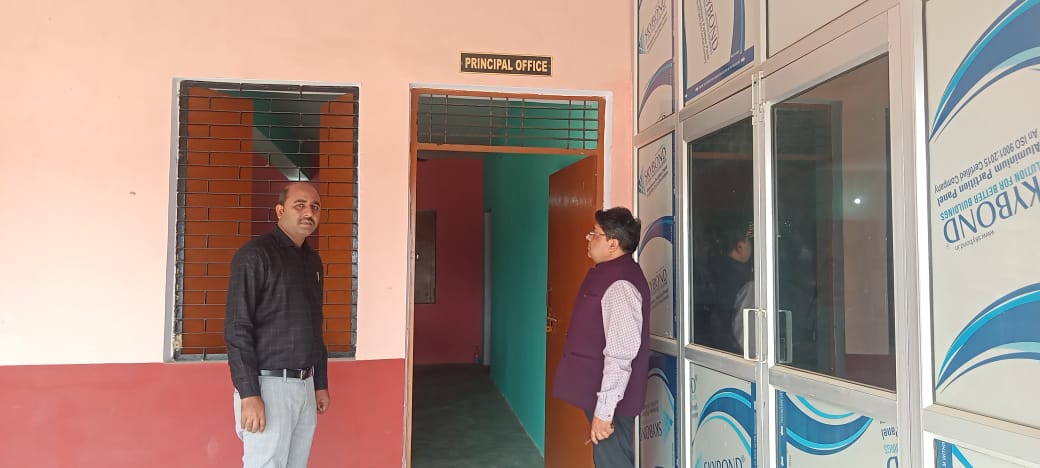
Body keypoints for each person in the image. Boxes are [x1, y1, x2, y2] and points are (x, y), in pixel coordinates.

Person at [224, 182, 331, 468]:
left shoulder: (313, 262)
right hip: (269, 386)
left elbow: (314, 326)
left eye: (315, 207)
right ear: (280, 210)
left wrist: (319, 383)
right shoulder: (255, 256)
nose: (309, 213)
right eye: (300, 205)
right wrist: (249, 393)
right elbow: (237, 327)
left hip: (305, 386)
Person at [552, 207, 651, 468]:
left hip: (613, 403)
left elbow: (621, 353)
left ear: (612, 244)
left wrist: (605, 412)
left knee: (612, 462)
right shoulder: (608, 273)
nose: (588, 238)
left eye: (594, 234)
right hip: (603, 398)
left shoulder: (621, 284)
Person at [706, 218, 753, 354]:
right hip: (734, 352)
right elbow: (744, 332)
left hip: (715, 346)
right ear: (740, 247)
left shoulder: (713, 269)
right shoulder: (745, 281)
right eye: (749, 241)